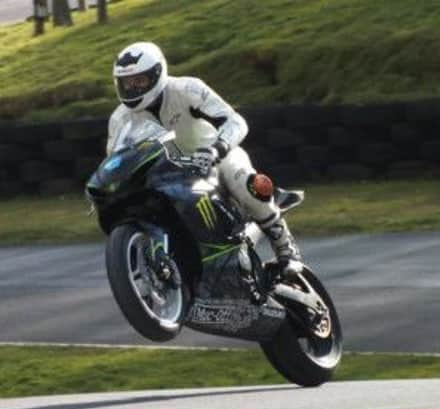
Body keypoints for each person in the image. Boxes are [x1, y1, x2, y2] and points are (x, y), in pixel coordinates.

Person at [106, 41, 303, 276]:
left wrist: (216, 149)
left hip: (214, 160)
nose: (133, 89)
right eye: (127, 83)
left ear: (157, 74)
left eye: (139, 81)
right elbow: (116, 161)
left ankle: (286, 249)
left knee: (242, 181)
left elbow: (235, 121)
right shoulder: (120, 119)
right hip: (166, 176)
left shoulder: (187, 89)